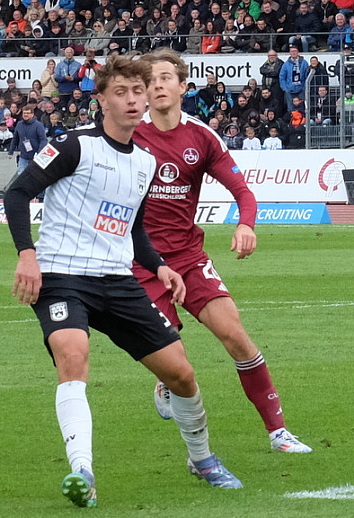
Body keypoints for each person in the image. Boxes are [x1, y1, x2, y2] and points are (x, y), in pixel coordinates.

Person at [2, 54, 243, 509]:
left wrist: (160, 266)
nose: (133, 100)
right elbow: (17, 192)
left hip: (118, 279)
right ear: (101, 100)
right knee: (73, 355)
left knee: (181, 373)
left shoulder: (145, 162)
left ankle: (202, 458)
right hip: (62, 275)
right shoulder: (73, 145)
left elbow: (134, 229)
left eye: (138, 91)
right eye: (121, 92)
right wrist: (27, 255)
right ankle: (82, 472)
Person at [133, 49, 311, 454]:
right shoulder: (129, 135)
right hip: (140, 263)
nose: (157, 85)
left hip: (189, 258)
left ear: (183, 86)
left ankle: (279, 432)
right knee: (175, 358)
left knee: (236, 336)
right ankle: (171, 391)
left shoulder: (201, 136)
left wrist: (246, 224)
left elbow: (242, 191)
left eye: (165, 78)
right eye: (150, 80)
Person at [8, 104, 47, 174]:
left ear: (32, 114)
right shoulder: (19, 124)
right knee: (21, 174)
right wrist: (11, 151)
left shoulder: (38, 125)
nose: (26, 115)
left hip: (35, 156)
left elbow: (43, 140)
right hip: (23, 155)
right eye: (24, 113)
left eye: (28, 113)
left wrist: (39, 153)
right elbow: (15, 138)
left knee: (35, 175)